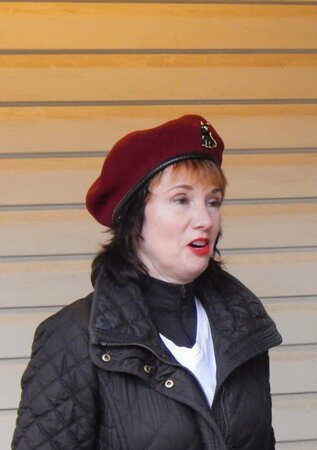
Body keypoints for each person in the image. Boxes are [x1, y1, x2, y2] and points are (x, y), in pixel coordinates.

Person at [12, 115, 282, 449]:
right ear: (132, 215)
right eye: (181, 200)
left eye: (213, 201)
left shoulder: (242, 326)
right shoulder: (74, 338)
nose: (204, 220)